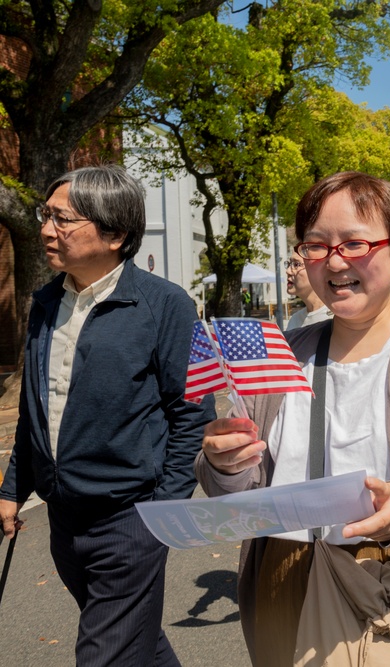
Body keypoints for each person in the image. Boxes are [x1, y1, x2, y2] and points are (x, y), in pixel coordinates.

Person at [196, 172, 390, 666]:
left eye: (355, 243)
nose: (336, 260)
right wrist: (226, 465)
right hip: (280, 579)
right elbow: (244, 487)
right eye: (317, 246)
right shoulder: (279, 355)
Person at [0, 165, 216, 665]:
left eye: (62, 219)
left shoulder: (165, 305)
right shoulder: (45, 301)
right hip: (63, 517)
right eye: (45, 215)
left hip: (131, 519)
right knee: (136, 638)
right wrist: (14, 486)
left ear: (116, 234)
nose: (45, 230)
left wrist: (163, 511)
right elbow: (37, 407)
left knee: (106, 653)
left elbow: (191, 413)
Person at [284, 249, 332, 330]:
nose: (288, 271)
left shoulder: (337, 318)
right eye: (289, 264)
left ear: (316, 271)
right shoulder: (295, 320)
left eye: (296, 264)